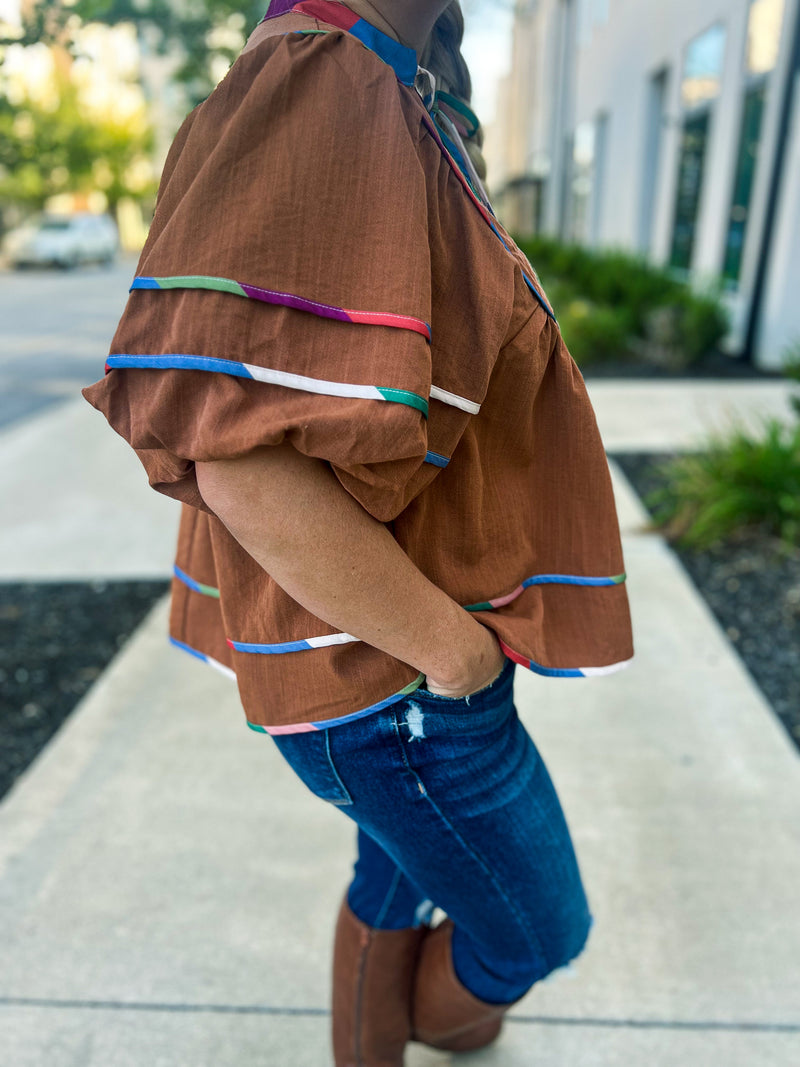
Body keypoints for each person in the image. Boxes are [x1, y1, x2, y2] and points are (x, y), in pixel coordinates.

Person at [83, 1, 634, 1063]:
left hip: (408, 653)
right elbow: (237, 453)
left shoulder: (390, 81)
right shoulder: (322, 74)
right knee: (536, 928)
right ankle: (432, 1021)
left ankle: (370, 1044)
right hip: (401, 677)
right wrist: (454, 658)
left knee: (392, 872)